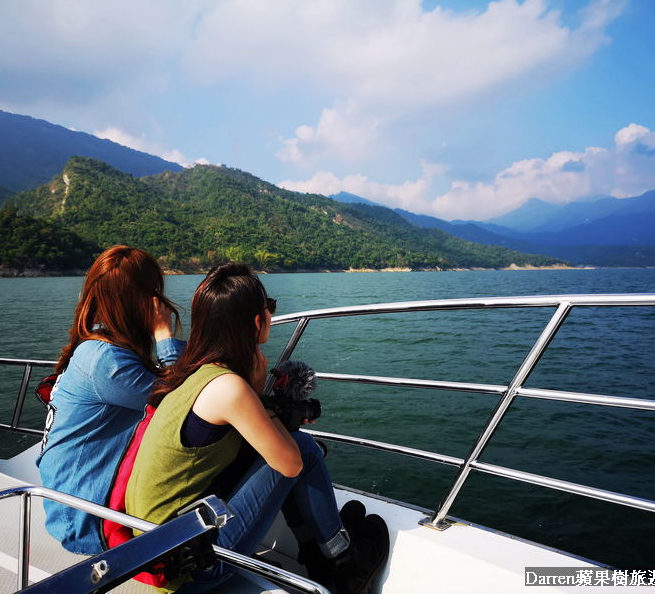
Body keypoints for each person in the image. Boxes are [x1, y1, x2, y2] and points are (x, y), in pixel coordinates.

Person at [126, 262, 390, 594]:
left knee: (277, 447)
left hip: (163, 548)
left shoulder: (194, 372)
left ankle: (316, 554)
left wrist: (260, 399)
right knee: (302, 450)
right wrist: (260, 398)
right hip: (193, 569)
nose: (271, 314)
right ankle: (347, 563)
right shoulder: (229, 388)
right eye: (270, 308)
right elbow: (291, 463)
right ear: (256, 322)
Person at [37, 245, 185, 554]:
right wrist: (164, 336)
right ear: (143, 299)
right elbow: (179, 405)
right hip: (86, 522)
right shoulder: (107, 360)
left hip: (75, 506)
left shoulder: (97, 345)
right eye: (154, 291)